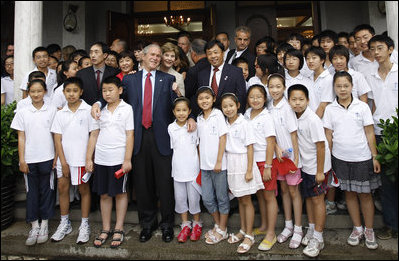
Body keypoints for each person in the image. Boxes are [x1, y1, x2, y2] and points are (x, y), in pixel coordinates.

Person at [92, 44, 178, 243]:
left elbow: (177, 107)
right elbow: (110, 93)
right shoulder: (129, 79)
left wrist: (188, 113)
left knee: (165, 184)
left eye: (159, 55)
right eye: (153, 55)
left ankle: (167, 224)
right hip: (137, 137)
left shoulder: (169, 79)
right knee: (143, 184)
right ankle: (147, 224)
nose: (156, 58)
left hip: (162, 138)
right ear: (143, 57)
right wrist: (98, 103)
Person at [324, 71, 381, 249]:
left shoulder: (362, 107)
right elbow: (329, 136)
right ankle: (357, 228)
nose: (342, 89)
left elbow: (370, 132)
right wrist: (328, 160)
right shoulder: (330, 109)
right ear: (334, 88)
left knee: (365, 195)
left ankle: (369, 230)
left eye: (346, 86)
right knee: (349, 194)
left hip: (362, 158)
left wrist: (374, 156)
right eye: (339, 86)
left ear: (352, 87)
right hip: (340, 158)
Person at [86, 76, 134, 248]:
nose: (107, 94)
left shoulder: (127, 109)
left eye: (110, 90)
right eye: (104, 90)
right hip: (101, 158)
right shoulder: (99, 110)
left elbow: (130, 135)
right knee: (104, 194)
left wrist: (127, 159)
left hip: (119, 158)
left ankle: (119, 228)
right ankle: (106, 228)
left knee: (120, 193)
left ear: (120, 90)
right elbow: (93, 134)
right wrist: (88, 158)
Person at [11, 79, 57, 246]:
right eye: (33, 91)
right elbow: (21, 137)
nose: (36, 94)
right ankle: (34, 225)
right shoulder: (23, 112)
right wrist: (22, 160)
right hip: (30, 159)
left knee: (47, 190)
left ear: (45, 91)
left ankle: (44, 224)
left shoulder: (52, 110)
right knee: (32, 192)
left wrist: (56, 156)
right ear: (28, 93)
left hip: (48, 157)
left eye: (39, 91)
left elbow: (56, 136)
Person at [287, 84, 331, 258]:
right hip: (305, 165)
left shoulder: (312, 119)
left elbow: (321, 146)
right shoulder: (294, 116)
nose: (297, 103)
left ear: (308, 100)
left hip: (317, 166)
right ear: (289, 100)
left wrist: (320, 172)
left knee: (318, 200)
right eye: (294, 99)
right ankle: (312, 229)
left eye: (301, 99)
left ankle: (319, 238)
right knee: (310, 199)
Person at [50, 77, 92, 244]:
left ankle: (84, 224)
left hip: (81, 160)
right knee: (63, 188)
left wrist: (88, 158)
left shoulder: (88, 110)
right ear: (63, 93)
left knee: (83, 190)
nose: (71, 94)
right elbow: (57, 139)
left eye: (75, 91)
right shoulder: (60, 113)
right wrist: (62, 161)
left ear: (81, 92)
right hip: (64, 160)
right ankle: (64, 222)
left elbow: (92, 136)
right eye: (68, 91)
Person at [221, 93, 264, 253]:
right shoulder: (224, 123)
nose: (228, 109)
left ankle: (249, 235)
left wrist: (248, 170)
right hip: (231, 163)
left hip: (243, 162)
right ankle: (243, 230)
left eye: (231, 105)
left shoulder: (244, 123)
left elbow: (250, 147)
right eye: (225, 106)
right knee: (240, 199)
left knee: (246, 200)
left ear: (238, 105)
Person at [366, 34, 398, 240]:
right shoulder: (371, 76)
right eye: (373, 49)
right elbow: (373, 105)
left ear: (390, 49)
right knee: (387, 183)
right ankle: (392, 225)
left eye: (380, 48)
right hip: (380, 132)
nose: (376, 53)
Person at [267, 74, 303, 249]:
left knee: (294, 191)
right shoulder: (269, 107)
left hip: (291, 158)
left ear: (284, 87)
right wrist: (275, 150)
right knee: (283, 190)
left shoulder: (287, 107)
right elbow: (270, 135)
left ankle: (298, 229)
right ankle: (288, 225)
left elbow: (294, 134)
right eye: (271, 87)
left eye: (278, 87)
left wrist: (296, 159)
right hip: (278, 157)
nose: (274, 90)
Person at [243, 84, 277, 251]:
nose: (255, 100)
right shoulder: (247, 114)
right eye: (252, 97)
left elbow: (271, 142)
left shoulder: (266, 117)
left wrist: (269, 166)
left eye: (259, 97)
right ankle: (263, 226)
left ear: (265, 99)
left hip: (265, 161)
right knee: (261, 196)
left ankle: (271, 233)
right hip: (251, 161)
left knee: (269, 196)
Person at [195, 86, 229, 245]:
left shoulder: (218, 115)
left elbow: (223, 138)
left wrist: (219, 161)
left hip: (219, 165)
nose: (204, 101)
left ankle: (222, 229)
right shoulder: (199, 118)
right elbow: (199, 142)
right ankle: (218, 224)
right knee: (208, 198)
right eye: (201, 98)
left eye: (207, 98)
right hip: (205, 166)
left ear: (214, 99)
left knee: (222, 198)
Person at [167, 97, 202, 243]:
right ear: (174, 112)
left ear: (190, 111)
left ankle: (196, 224)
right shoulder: (171, 128)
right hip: (178, 169)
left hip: (193, 169)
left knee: (194, 198)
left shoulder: (194, 126)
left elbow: (199, 147)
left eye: (184, 110)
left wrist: (201, 167)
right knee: (180, 198)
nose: (181, 113)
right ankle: (185, 224)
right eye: (178, 110)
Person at [197, 40, 247, 113]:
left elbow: (241, 97)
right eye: (209, 53)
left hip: (230, 117)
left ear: (223, 53)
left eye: (216, 52)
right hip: (209, 118)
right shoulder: (202, 74)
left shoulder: (236, 72)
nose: (213, 56)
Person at [304, 46, 334, 118]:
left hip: (322, 120)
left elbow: (323, 105)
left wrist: (314, 122)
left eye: (314, 58)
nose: (310, 61)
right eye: (307, 58)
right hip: (308, 118)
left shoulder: (328, 79)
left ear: (322, 60)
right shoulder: (308, 78)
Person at [184, 38, 209, 118]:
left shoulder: (193, 71)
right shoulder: (214, 66)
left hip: (197, 112)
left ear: (193, 54)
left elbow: (187, 94)